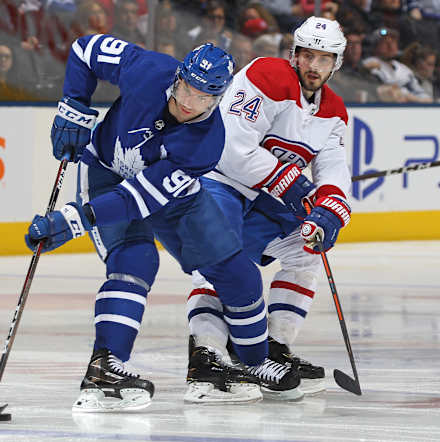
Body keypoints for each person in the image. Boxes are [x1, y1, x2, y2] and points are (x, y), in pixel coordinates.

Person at [25, 36, 307, 411]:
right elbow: (83, 49)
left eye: (203, 98)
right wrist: (74, 105)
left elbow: (140, 198)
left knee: (239, 274)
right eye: (186, 88)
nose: (188, 103)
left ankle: (253, 361)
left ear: (218, 99)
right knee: (135, 259)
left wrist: (76, 219)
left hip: (168, 194)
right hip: (109, 171)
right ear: (178, 76)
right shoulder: (147, 70)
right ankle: (104, 366)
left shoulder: (206, 142)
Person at [185, 16, 352, 402]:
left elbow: (332, 166)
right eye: (307, 55)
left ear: (336, 63)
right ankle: (205, 359)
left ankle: (269, 350)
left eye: (324, 59)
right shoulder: (268, 75)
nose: (313, 66)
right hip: (218, 181)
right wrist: (291, 181)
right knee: (221, 262)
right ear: (294, 55)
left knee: (308, 247)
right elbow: (229, 148)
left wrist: (330, 205)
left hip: (266, 195)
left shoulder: (334, 111)